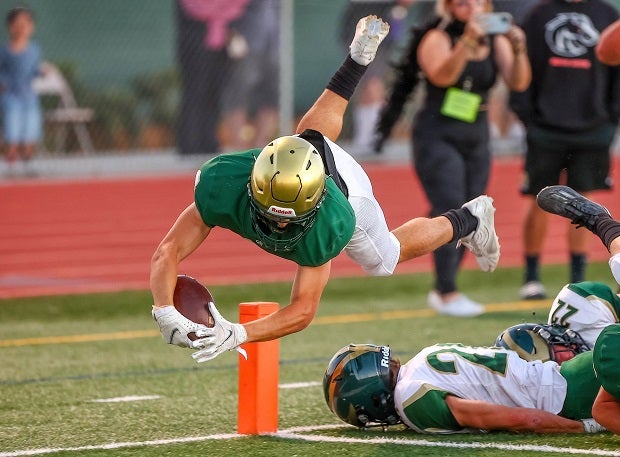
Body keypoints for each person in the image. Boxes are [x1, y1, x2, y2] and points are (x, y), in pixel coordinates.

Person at [150, 16, 500, 364]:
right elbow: (168, 251)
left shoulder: (332, 222)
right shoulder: (221, 184)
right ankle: (357, 60)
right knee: (306, 139)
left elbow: (303, 309)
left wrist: (240, 332)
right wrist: (164, 308)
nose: (282, 227)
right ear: (251, 187)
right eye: (271, 215)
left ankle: (468, 218)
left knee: (386, 259)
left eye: (290, 219)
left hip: (346, 187)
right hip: (299, 154)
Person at [383, 0, 531, 316]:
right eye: (462, 3)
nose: (472, 8)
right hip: (438, 133)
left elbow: (519, 82)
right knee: (449, 204)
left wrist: (518, 49)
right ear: (449, 7)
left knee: (474, 210)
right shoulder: (437, 37)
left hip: (477, 132)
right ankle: (445, 290)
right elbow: (442, 76)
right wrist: (466, 41)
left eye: (477, 1)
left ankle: (448, 287)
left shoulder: (496, 39)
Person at [510, 0, 620, 300]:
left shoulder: (608, 14)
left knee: (586, 205)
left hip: (593, 129)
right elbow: (523, 64)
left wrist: (611, 116)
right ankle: (531, 276)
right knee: (538, 199)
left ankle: (577, 279)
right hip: (545, 128)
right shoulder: (539, 14)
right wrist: (527, 115)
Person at [323, 337, 616, 433]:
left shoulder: (410, 395)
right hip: (570, 375)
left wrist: (585, 426)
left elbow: (520, 418)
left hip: (569, 397)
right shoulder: (425, 357)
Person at [0, 6, 42, 176]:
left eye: (26, 24)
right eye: (18, 23)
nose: (23, 27)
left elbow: (33, 70)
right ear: (11, 26)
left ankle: (28, 164)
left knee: (30, 131)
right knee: (12, 131)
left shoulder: (34, 50)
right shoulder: (4, 51)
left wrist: (42, 71)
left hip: (29, 97)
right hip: (10, 96)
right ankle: (10, 163)